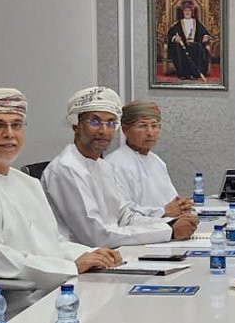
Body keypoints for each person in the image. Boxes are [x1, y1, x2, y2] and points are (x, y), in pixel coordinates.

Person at [0, 88, 122, 323]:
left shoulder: (27, 183)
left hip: (57, 294)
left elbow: (54, 241)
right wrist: (71, 267)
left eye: (16, 125)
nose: (9, 134)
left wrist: (91, 254)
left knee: (125, 308)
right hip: (11, 315)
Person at [43, 87, 198, 247]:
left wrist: (172, 223)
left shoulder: (102, 166)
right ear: (76, 126)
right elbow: (97, 236)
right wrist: (169, 230)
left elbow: (125, 218)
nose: (104, 130)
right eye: (95, 122)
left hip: (111, 251)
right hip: (80, 258)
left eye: (111, 122)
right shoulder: (66, 168)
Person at [105, 99, 193, 217]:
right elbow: (121, 212)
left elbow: (171, 200)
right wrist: (163, 212)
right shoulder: (114, 164)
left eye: (154, 126)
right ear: (125, 130)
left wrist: (182, 206)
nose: (150, 133)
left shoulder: (157, 162)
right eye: (142, 126)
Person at [165, 1, 212, 80]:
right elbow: (170, 34)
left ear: (191, 12)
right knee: (179, 50)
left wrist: (205, 36)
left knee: (199, 48)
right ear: (183, 12)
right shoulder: (178, 24)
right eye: (185, 10)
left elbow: (204, 32)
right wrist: (175, 38)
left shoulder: (196, 22)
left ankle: (195, 73)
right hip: (182, 46)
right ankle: (183, 74)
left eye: (189, 10)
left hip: (195, 44)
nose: (187, 12)